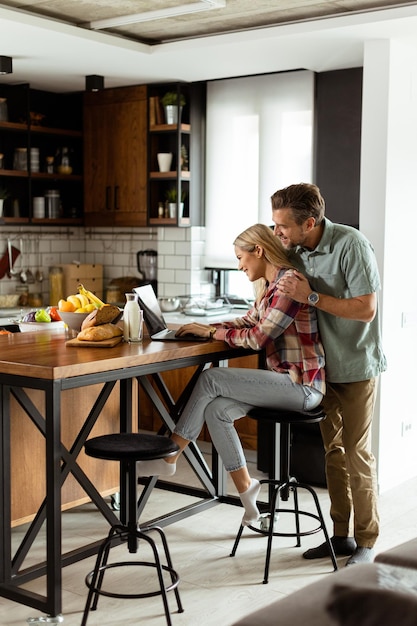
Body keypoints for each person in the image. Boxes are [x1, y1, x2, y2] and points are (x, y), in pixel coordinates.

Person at [137, 223, 326, 527]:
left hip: (301, 387)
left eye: (241, 258)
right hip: (286, 384)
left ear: (259, 251)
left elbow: (258, 338)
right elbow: (249, 320)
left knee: (211, 380)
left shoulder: (289, 284)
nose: (239, 266)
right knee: (216, 409)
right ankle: (247, 492)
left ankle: (169, 457)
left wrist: (212, 331)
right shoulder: (270, 287)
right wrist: (206, 329)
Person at [270, 182, 386, 566]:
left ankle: (367, 540)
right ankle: (341, 537)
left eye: (283, 226)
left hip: (355, 366)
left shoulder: (351, 245)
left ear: (309, 222)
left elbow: (366, 309)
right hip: (320, 370)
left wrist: (312, 297)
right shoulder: (296, 251)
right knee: (333, 453)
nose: (278, 233)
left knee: (356, 453)